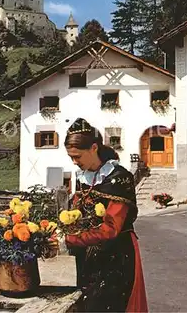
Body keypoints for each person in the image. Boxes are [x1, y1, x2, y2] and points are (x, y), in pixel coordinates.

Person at [58, 117, 148, 312]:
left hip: (116, 255)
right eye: (71, 157)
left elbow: (110, 229)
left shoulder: (119, 178)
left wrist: (68, 240)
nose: (74, 162)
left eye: (77, 156)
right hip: (88, 255)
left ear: (93, 148)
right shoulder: (83, 176)